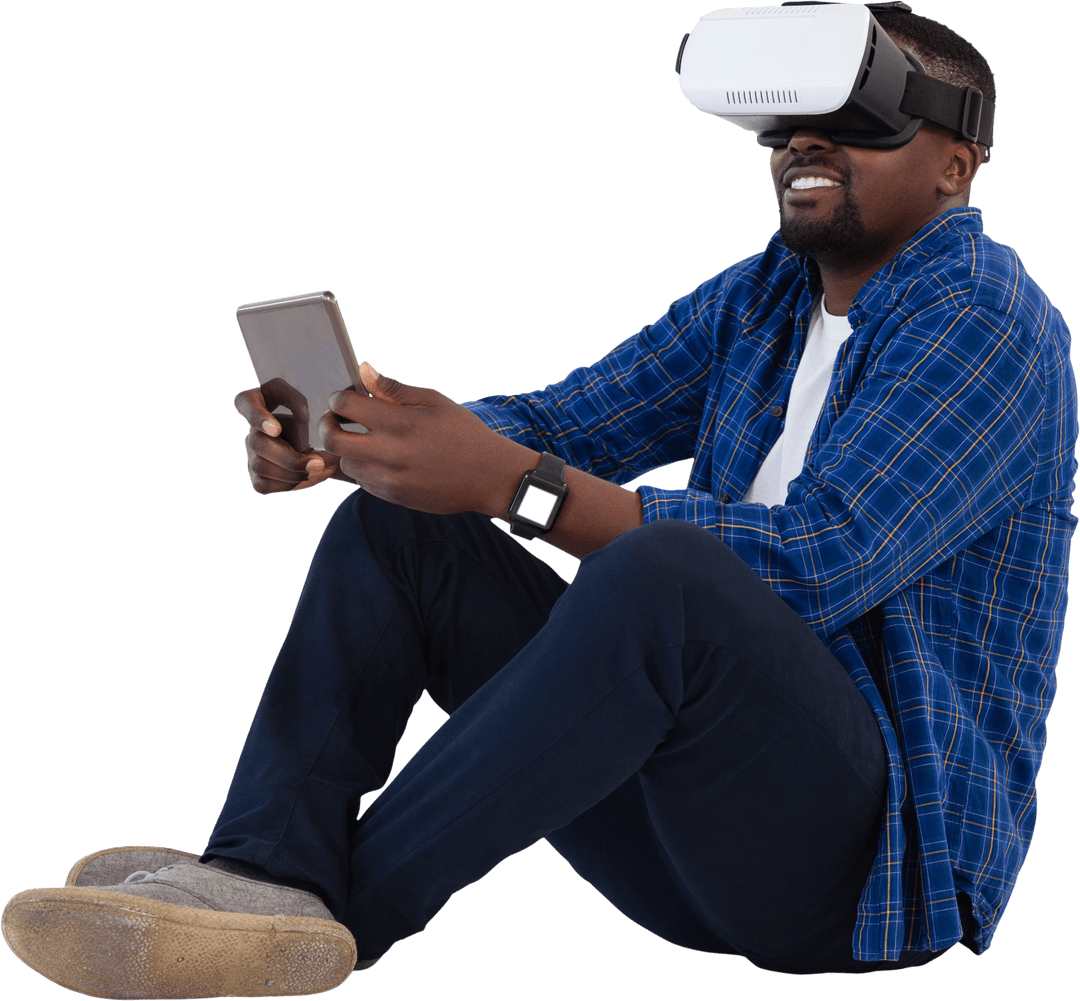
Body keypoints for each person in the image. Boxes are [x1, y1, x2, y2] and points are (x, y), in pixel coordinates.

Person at [3, 5, 1075, 998]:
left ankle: (315, 922)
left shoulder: (986, 319)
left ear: (957, 163)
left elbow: (822, 559)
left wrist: (510, 484)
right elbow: (561, 421)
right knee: (403, 526)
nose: (804, 145)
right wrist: (377, 435)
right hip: (678, 842)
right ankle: (260, 871)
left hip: (862, 875)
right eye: (786, 125)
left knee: (663, 572)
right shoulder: (763, 300)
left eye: (855, 121)